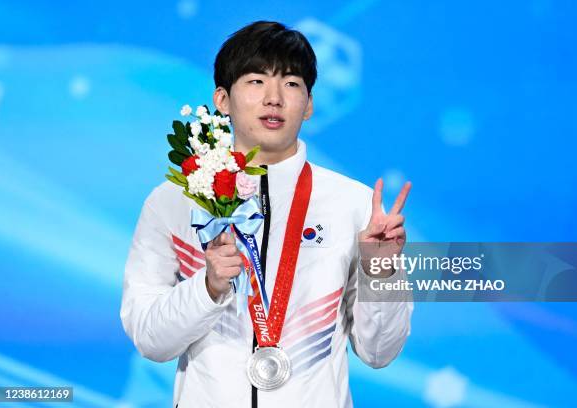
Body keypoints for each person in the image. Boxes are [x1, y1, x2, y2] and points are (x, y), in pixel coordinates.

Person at [120, 20, 413, 408]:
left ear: (308, 105)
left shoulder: (353, 205)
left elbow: (379, 352)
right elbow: (149, 339)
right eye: (256, 81)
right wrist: (206, 288)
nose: (274, 97)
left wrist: (381, 272)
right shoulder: (174, 201)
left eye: (291, 84)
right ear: (222, 99)